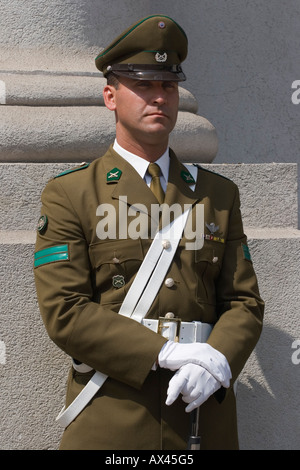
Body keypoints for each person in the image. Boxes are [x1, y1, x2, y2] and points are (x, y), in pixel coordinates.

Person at [34, 14, 264, 450]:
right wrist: (166, 352)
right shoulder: (71, 194)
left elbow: (243, 303)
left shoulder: (218, 195)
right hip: (115, 416)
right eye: (143, 85)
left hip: (202, 420)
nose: (159, 98)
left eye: (168, 86)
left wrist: (217, 361)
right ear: (110, 96)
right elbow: (65, 310)